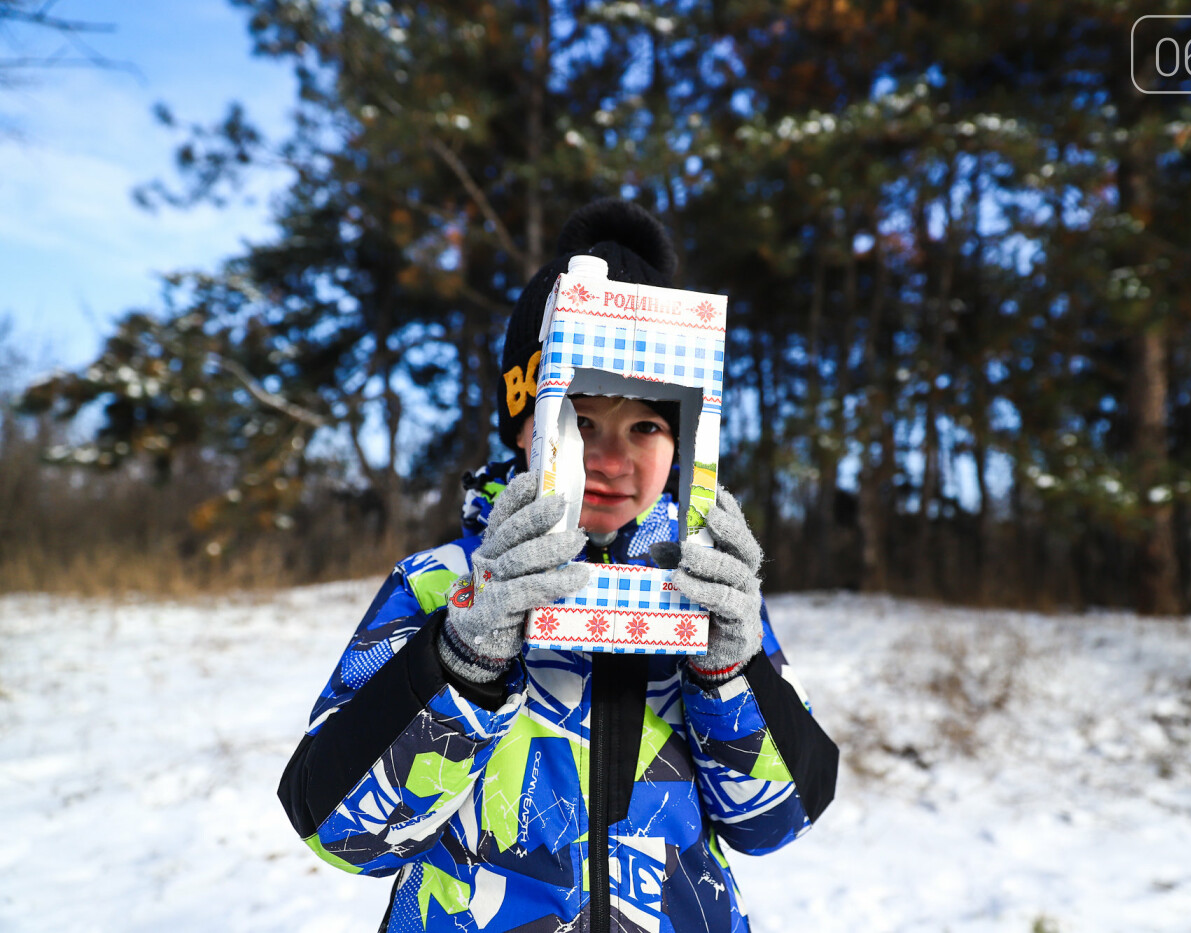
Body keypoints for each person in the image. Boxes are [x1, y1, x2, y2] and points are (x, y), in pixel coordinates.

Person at [278, 199, 839, 933]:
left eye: (646, 423)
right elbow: (343, 830)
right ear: (524, 423)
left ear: (684, 442)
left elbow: (776, 821)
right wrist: (464, 657)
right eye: (579, 417)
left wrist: (729, 669)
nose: (611, 456)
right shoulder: (439, 582)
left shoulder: (705, 590)